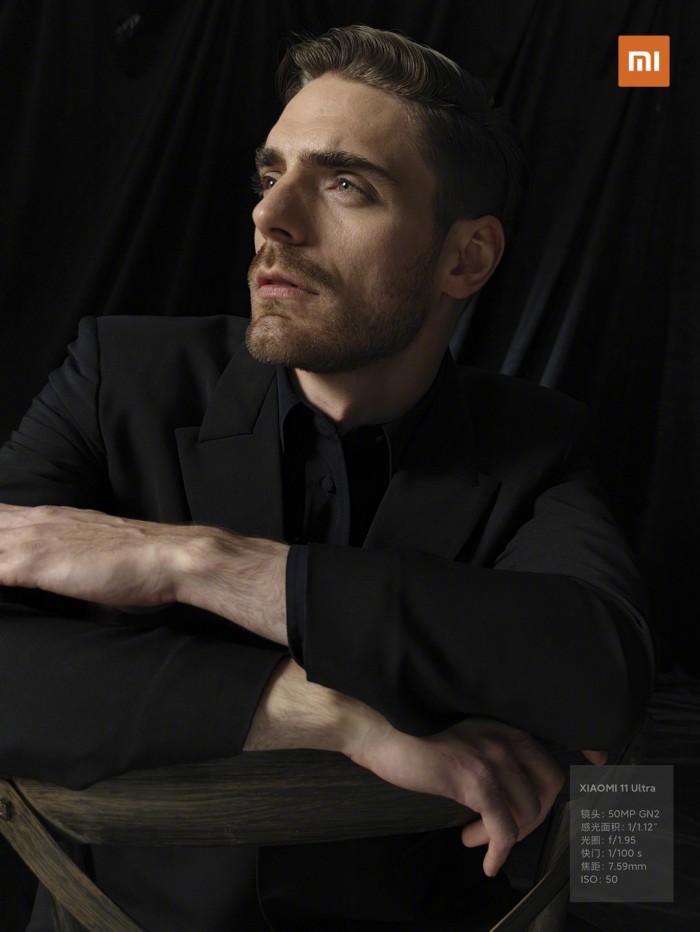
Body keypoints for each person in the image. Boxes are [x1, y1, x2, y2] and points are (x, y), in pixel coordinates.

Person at [0, 24, 653, 932]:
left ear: (466, 257)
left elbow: (602, 675)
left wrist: (200, 562)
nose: (272, 218)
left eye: (346, 184)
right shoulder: (118, 378)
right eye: (271, 176)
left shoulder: (537, 442)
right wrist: (329, 715)